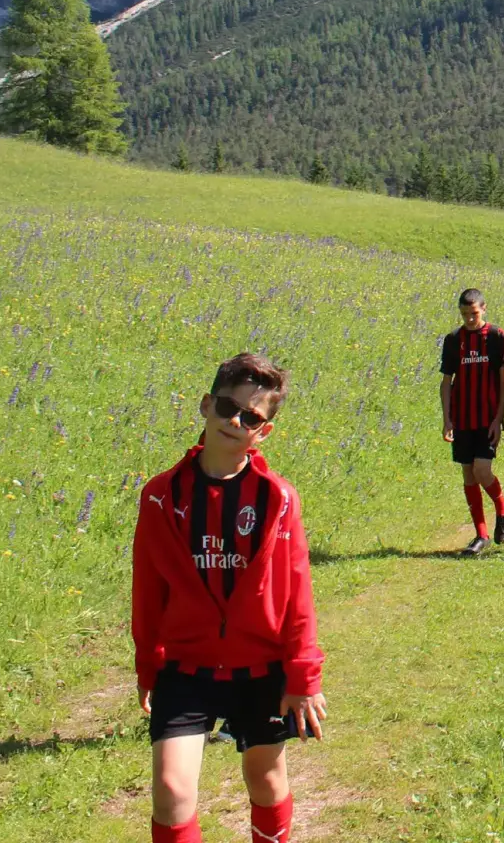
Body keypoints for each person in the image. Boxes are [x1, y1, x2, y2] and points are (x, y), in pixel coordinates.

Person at [133, 353, 326, 843]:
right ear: (205, 405)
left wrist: (303, 674)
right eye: (226, 406)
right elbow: (148, 589)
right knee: (172, 790)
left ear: (263, 432)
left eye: (251, 417)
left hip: (260, 670)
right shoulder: (161, 496)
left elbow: (297, 591)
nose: (235, 421)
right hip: (185, 670)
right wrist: (148, 664)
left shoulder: (278, 498)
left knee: (265, 781)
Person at [439, 288, 504, 555]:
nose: (469, 319)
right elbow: (446, 382)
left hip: (487, 419)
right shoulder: (452, 340)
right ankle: (481, 535)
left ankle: (503, 508)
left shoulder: (496, 337)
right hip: (462, 418)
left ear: (484, 309)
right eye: (464, 314)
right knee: (468, 475)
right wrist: (447, 418)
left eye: (474, 313)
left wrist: (499, 418)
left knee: (482, 471)